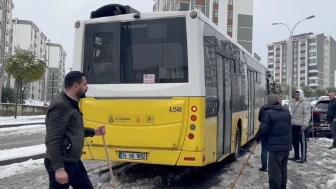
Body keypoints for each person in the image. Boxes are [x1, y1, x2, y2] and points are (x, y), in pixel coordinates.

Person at [44, 71, 106, 189]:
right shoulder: (61, 105)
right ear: (76, 86)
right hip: (62, 162)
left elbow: (73, 129)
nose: (87, 88)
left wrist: (94, 132)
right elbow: (52, 139)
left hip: (73, 161)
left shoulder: (71, 103)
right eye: (85, 84)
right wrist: (59, 168)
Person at [255, 94, 292, 189]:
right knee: (283, 170)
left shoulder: (267, 113)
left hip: (275, 147)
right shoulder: (286, 111)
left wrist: (257, 138)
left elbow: (263, 130)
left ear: (268, 102)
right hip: (286, 146)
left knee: (274, 172)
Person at [289, 89, 311, 163]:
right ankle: (296, 156)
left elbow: (307, 115)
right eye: (295, 94)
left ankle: (303, 157)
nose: (296, 96)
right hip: (294, 125)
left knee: (302, 142)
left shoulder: (305, 103)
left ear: (301, 95)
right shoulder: (293, 102)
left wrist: (304, 125)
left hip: (301, 126)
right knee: (294, 141)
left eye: (298, 94)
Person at [258, 104, 268, 172]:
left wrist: (258, 137)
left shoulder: (263, 108)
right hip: (275, 133)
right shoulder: (280, 109)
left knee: (264, 150)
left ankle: (264, 166)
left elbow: (260, 119)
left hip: (265, 132)